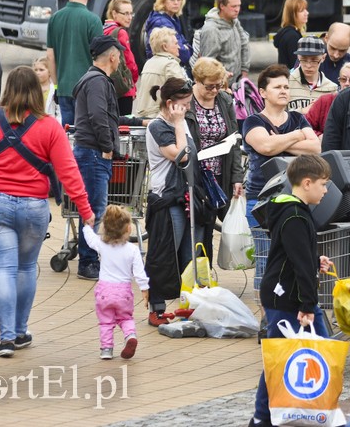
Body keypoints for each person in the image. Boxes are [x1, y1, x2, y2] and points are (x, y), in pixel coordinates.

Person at [0, 66, 94, 356]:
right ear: (36, 91)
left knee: (4, 270)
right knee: (26, 268)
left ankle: (6, 338)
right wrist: (86, 211)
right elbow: (68, 173)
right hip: (34, 206)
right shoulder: (50, 127)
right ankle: (21, 331)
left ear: (7, 89)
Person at [249, 154, 335, 427]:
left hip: (288, 296)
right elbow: (297, 264)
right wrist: (308, 306)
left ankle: (264, 417)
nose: (326, 190)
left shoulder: (296, 212)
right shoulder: (295, 215)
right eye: (323, 184)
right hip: (288, 299)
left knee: (285, 356)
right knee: (284, 358)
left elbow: (295, 254)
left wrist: (315, 260)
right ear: (307, 183)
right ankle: (263, 417)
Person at [72, 35, 146, 281]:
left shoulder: (94, 80)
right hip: (94, 153)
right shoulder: (98, 82)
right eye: (120, 56)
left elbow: (109, 117)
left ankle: (89, 257)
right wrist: (107, 147)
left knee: (94, 207)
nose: (121, 60)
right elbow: (98, 116)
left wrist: (138, 121)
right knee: (95, 209)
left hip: (92, 151)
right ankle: (88, 261)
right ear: (113, 57)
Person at [143, 77, 205, 326]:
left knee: (187, 253)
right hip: (166, 198)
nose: (188, 108)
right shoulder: (158, 127)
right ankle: (156, 308)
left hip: (185, 195)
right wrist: (179, 123)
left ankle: (185, 303)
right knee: (164, 253)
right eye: (184, 103)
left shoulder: (181, 123)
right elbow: (181, 156)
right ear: (170, 104)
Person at [242, 64, 320, 228]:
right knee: (262, 251)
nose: (284, 91)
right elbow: (266, 147)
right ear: (263, 92)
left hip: (296, 196)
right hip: (261, 198)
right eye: (277, 87)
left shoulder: (297, 118)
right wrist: (297, 135)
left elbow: (315, 147)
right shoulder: (253, 121)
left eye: (286, 87)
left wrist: (279, 140)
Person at [190, 57, 244, 263]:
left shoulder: (224, 100)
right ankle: (189, 273)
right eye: (209, 86)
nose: (214, 91)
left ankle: (204, 274)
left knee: (208, 228)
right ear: (197, 80)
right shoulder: (187, 101)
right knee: (195, 227)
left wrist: (237, 177)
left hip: (217, 176)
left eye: (218, 85)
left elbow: (234, 140)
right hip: (193, 175)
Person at [83, 204, 149, 360]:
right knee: (125, 318)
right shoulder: (132, 250)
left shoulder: (102, 244)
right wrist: (145, 290)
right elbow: (140, 273)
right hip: (124, 292)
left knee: (106, 322)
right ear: (128, 229)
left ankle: (106, 349)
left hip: (105, 292)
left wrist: (87, 226)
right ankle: (130, 336)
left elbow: (90, 239)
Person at [45, 0, 104, 125]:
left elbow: (50, 56)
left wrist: (57, 85)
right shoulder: (93, 21)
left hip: (64, 87)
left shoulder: (55, 18)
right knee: (84, 134)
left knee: (68, 133)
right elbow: (99, 58)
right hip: (86, 88)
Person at [190, 0, 250, 82]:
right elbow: (207, 64)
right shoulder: (211, 30)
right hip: (219, 87)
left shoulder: (234, 22)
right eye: (233, 6)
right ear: (222, 6)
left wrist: (244, 72)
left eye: (239, 5)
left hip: (236, 85)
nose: (237, 10)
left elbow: (244, 44)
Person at [134, 27, 187, 118]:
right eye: (176, 43)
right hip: (160, 117)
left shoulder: (149, 63)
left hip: (142, 116)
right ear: (165, 47)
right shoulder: (170, 64)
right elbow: (183, 92)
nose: (178, 47)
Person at [103, 0, 140, 115]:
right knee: (124, 127)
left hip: (109, 84)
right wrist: (132, 83)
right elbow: (130, 62)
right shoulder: (121, 32)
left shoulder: (103, 29)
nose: (129, 17)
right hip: (123, 87)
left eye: (131, 14)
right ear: (114, 13)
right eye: (125, 13)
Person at [144, 0, 192, 71]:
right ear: (163, 1)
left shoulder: (172, 18)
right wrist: (186, 48)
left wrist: (186, 46)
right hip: (165, 70)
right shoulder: (162, 23)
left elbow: (184, 42)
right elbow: (183, 55)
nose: (176, 3)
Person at [304, 61, 350, 136]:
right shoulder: (325, 101)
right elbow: (303, 126)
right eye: (343, 79)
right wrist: (319, 136)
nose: (347, 83)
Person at [286, 35, 337, 113]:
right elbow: (276, 116)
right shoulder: (286, 83)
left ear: (323, 58)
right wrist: (303, 111)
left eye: (314, 60)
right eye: (303, 60)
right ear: (298, 57)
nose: (308, 65)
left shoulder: (332, 88)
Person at [273, 0, 308, 67]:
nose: (306, 13)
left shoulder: (288, 33)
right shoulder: (292, 36)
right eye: (301, 11)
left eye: (306, 9)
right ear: (292, 14)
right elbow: (295, 65)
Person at [33, 55, 58, 121]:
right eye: (36, 70)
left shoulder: (54, 90)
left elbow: (58, 111)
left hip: (50, 122)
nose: (38, 73)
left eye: (41, 70)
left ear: (50, 71)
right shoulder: (31, 89)